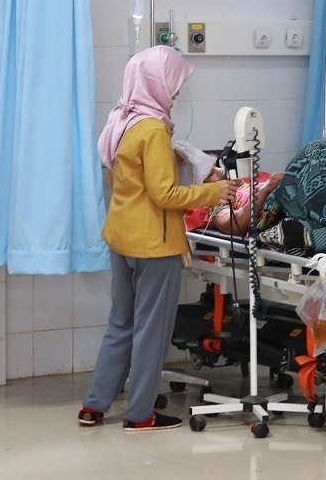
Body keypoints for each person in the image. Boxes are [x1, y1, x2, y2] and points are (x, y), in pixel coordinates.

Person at [79, 46, 241, 430]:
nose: (178, 91)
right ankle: (140, 414)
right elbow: (164, 194)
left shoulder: (123, 120)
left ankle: (94, 406)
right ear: (155, 81)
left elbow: (120, 177)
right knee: (151, 331)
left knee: (121, 324)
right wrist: (214, 192)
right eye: (174, 82)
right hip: (153, 245)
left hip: (121, 237)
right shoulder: (152, 130)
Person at [183, 169, 284, 235]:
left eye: (217, 165)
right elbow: (233, 225)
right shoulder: (217, 203)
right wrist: (264, 191)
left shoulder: (252, 183)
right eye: (210, 174)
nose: (219, 170)